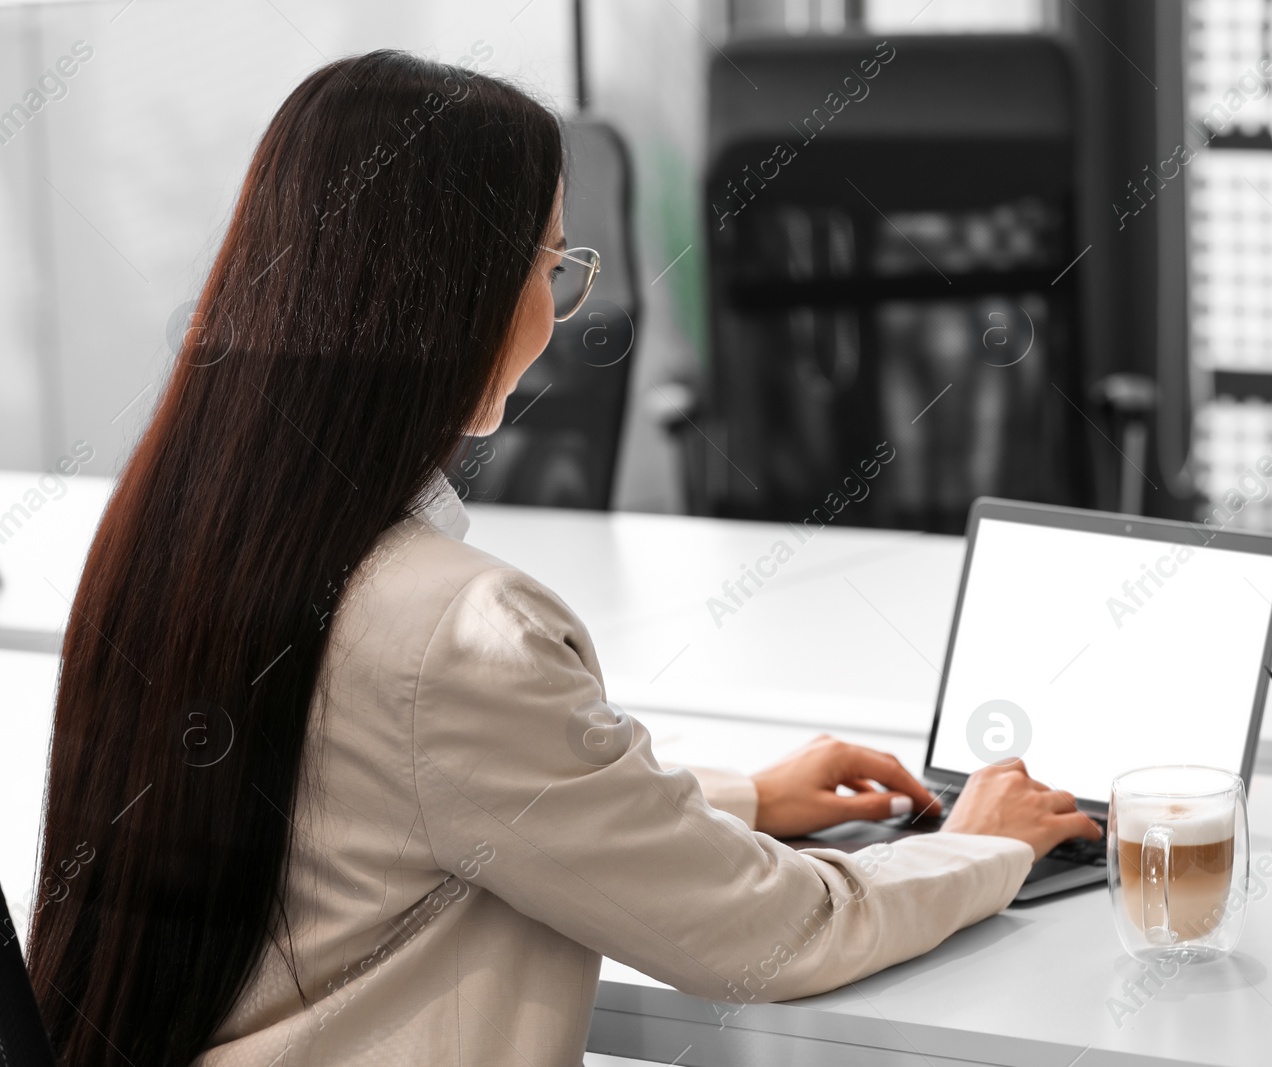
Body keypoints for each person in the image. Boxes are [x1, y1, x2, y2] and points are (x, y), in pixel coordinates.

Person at [28, 51, 1100, 1067]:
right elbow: (772, 935)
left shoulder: (172, 535)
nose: (560, 305)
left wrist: (741, 798)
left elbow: (393, 810)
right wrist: (981, 845)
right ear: (465, 296)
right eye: (553, 263)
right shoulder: (459, 626)